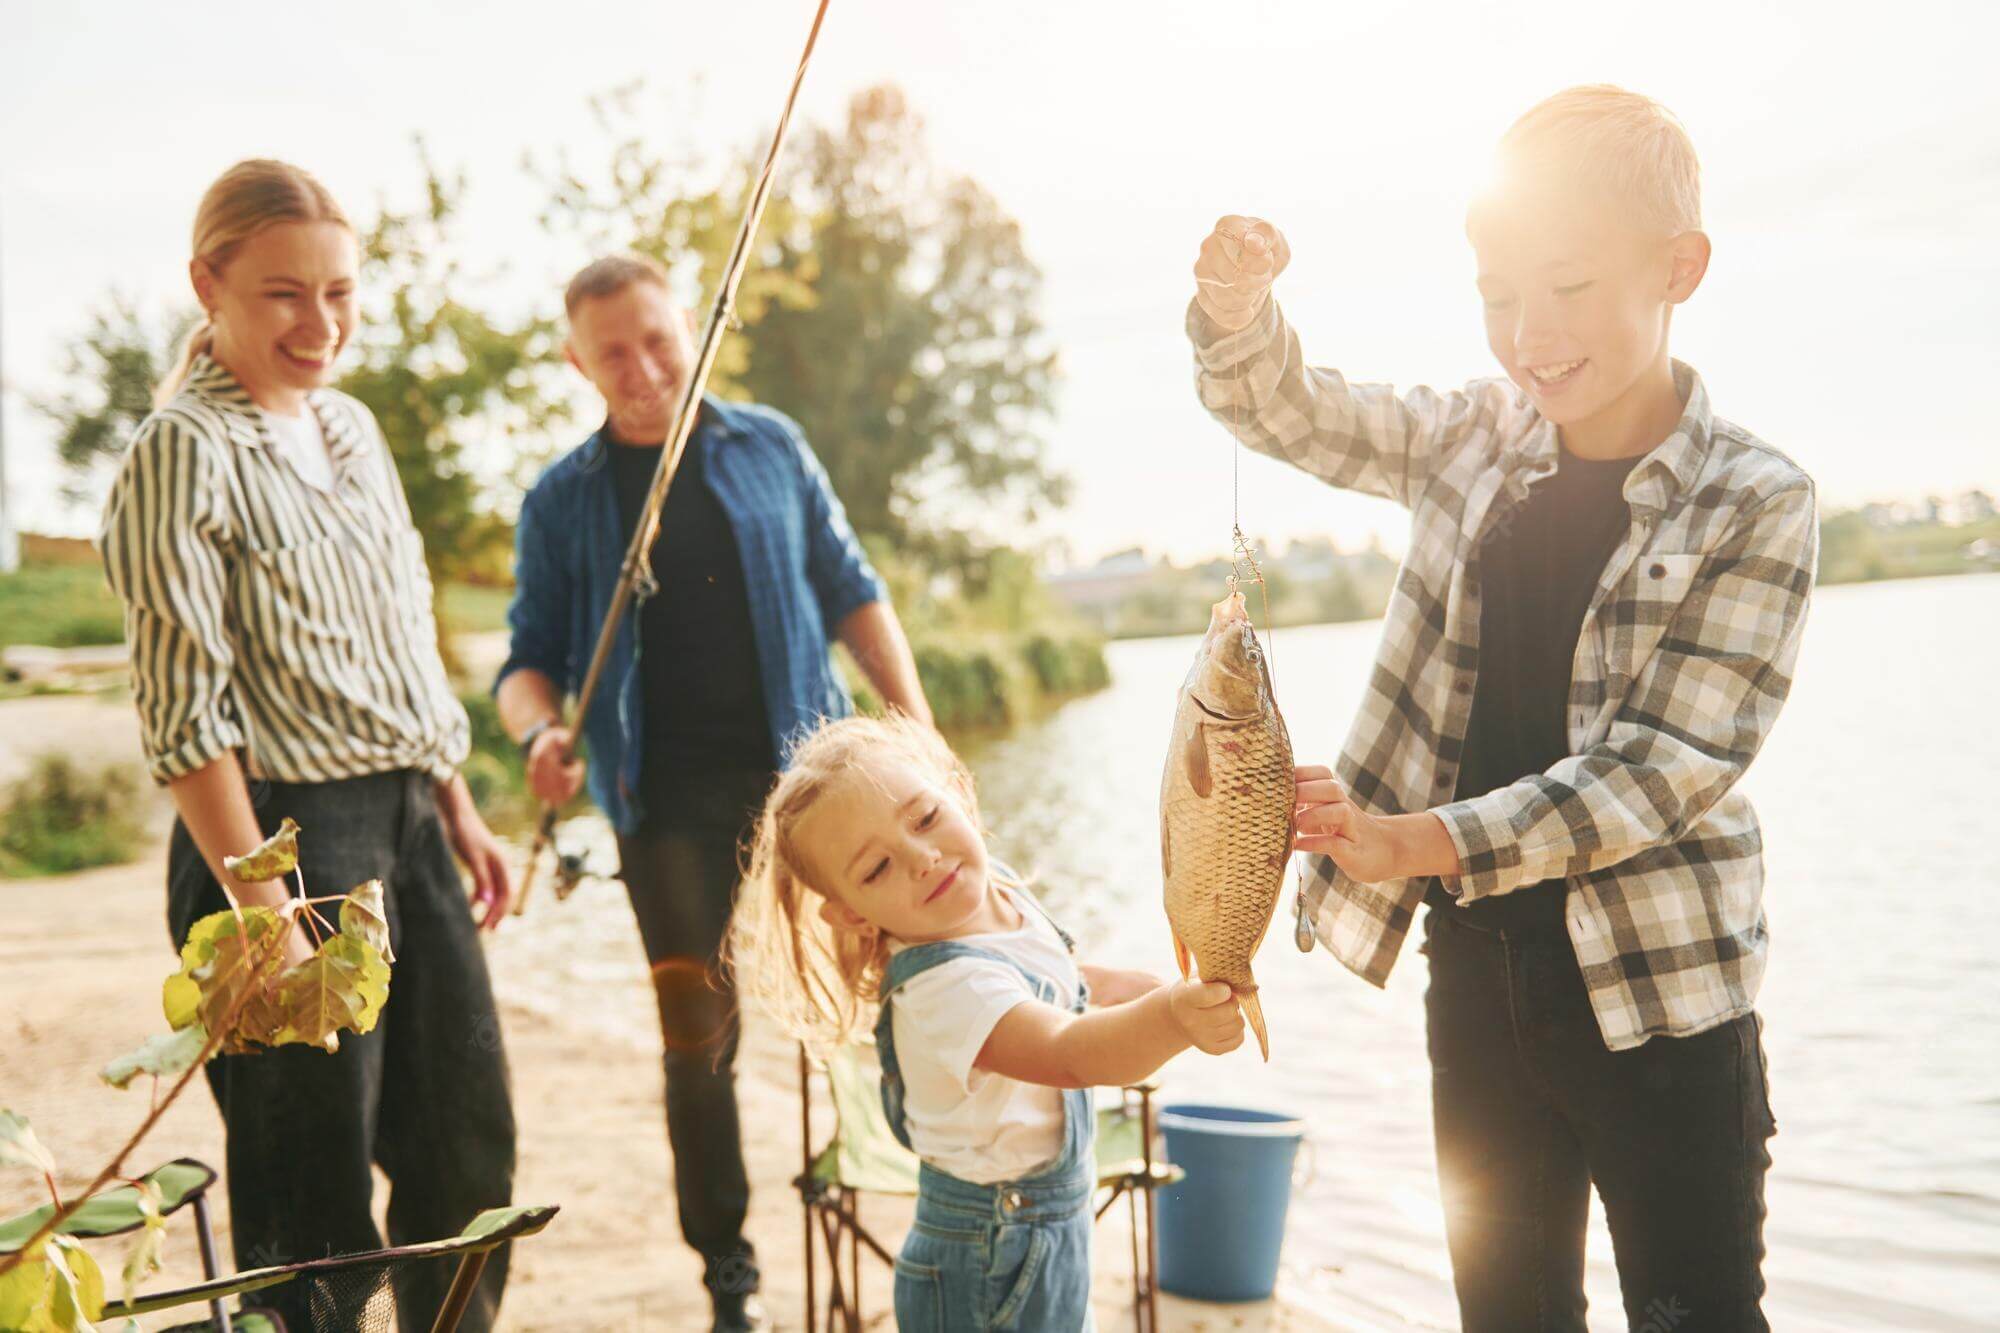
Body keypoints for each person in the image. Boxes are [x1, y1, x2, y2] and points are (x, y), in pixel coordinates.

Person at [1188, 87, 1818, 1331]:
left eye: (1567, 286)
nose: (1526, 333)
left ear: (1678, 267)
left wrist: (1415, 840)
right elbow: (1289, 411)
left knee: (1696, 1314)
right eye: (1493, 293)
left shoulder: (1756, 498)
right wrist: (1234, 313)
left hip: (1661, 999)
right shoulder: (1471, 436)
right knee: (1507, 1315)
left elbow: (1656, 769)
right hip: (1473, 975)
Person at [97, 159, 517, 1331]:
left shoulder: (355, 427)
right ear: (208, 285)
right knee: (309, 1196)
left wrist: (456, 802)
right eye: (285, 293)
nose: (319, 324)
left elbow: (403, 629)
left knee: (466, 1146)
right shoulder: (181, 450)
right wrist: (267, 907)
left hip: (409, 820)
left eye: (340, 293)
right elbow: (185, 715)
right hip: (273, 834)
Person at [493, 253, 932, 1330]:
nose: (642, 368)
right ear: (575, 361)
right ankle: (729, 1279)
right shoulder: (559, 500)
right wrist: (541, 731)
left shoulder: (770, 445)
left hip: (813, 789)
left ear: (690, 324)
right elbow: (523, 664)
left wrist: (913, 730)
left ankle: (935, 1214)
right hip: (664, 810)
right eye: (612, 353)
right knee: (699, 1044)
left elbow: (853, 592)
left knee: (906, 989)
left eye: (657, 339)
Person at [726, 713, 1244, 1330]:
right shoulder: (945, 989)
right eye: (876, 869)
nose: (923, 858)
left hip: (1043, 1227)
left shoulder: (989, 895)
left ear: (956, 790)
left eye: (924, 818)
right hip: (990, 1255)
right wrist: (1169, 1020)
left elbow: (1057, 978)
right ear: (852, 916)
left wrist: (1140, 990)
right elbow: (1068, 1053)